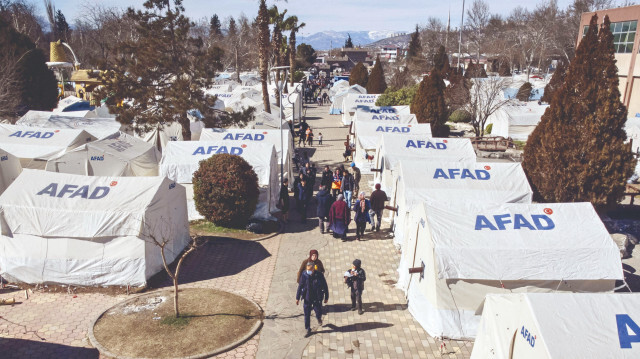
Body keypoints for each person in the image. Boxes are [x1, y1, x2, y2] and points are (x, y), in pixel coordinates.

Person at [296, 261, 329, 337]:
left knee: (318, 310)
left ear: (313, 269)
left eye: (310, 269)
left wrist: (326, 297)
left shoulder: (319, 275)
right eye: (307, 269)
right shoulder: (304, 275)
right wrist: (297, 297)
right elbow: (300, 286)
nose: (308, 271)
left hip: (317, 297)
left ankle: (318, 317)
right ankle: (307, 329)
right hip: (307, 298)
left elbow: (325, 286)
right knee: (307, 314)